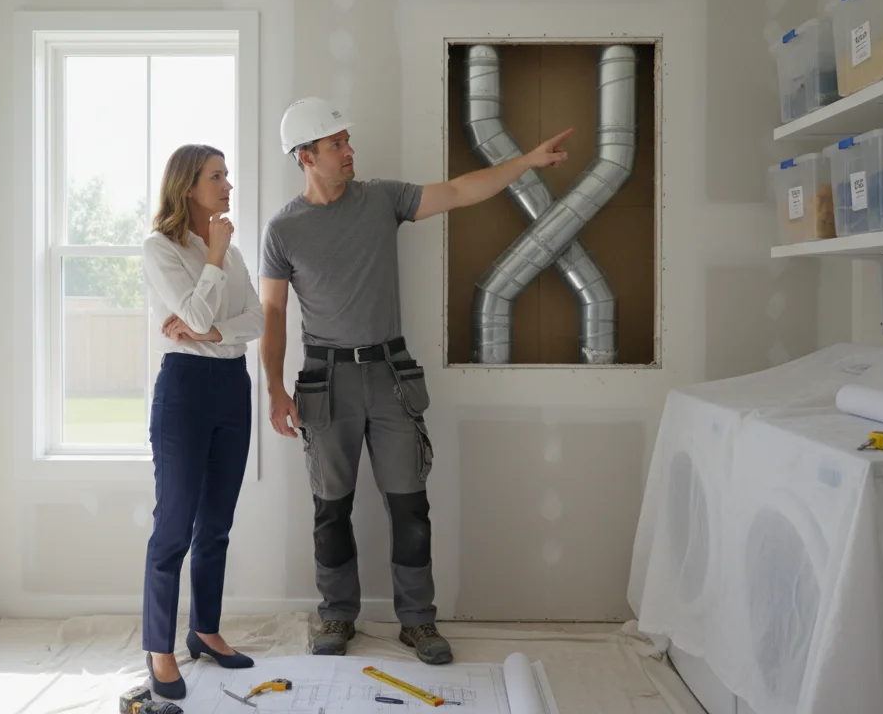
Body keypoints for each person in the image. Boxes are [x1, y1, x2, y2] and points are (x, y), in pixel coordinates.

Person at [258, 97, 572, 664]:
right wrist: (275, 389)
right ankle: (336, 615)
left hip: (390, 374)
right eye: (336, 144)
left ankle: (418, 621)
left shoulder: (381, 199)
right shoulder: (283, 230)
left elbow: (456, 191)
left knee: (409, 503)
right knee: (332, 507)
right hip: (324, 381)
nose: (349, 150)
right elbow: (273, 314)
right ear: (305, 156)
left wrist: (524, 162)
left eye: (347, 140)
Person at [139, 144, 264, 700]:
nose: (228, 185)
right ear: (188, 185)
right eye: (217, 176)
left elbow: (256, 319)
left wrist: (214, 334)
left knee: (215, 525)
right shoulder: (160, 249)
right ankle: (159, 650)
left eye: (227, 175)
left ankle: (205, 630)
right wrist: (213, 256)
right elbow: (189, 314)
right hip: (185, 392)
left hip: (232, 386)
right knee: (173, 530)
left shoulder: (230, 252)